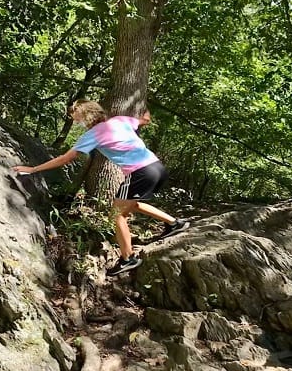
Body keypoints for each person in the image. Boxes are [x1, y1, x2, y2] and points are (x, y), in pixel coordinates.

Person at [13, 100, 189, 276]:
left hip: (141, 172)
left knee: (117, 214)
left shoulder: (92, 135)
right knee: (129, 205)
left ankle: (128, 258)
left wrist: (33, 169)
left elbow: (65, 159)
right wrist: (144, 106)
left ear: (86, 117)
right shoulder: (120, 120)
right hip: (157, 167)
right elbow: (145, 119)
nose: (77, 123)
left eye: (77, 119)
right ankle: (174, 223)